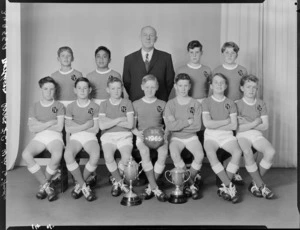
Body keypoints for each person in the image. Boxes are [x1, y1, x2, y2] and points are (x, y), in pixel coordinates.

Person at [22, 76, 65, 201]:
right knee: (26, 155)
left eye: (52, 89)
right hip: (40, 136)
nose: (49, 92)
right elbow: (32, 129)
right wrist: (49, 122)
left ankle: (43, 187)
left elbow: (59, 127)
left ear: (55, 90)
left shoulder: (59, 105)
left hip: (55, 137)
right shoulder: (34, 106)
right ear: (41, 89)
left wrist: (39, 124)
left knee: (57, 155)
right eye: (46, 89)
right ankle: (47, 186)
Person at [202, 73, 242, 203]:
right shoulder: (206, 102)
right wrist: (226, 121)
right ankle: (229, 186)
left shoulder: (230, 103)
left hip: (226, 136)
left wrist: (217, 124)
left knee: (237, 152)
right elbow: (207, 124)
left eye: (221, 83)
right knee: (211, 153)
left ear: (225, 86)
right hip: (211, 136)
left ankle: (225, 185)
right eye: (216, 82)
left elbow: (234, 125)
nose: (219, 85)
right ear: (211, 86)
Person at [212, 41, 248, 185]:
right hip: (221, 111)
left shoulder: (242, 70)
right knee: (222, 141)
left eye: (232, 52)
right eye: (226, 52)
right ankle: (220, 173)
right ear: (223, 54)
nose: (229, 55)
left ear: (237, 55)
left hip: (237, 110)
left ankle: (234, 171)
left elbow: (245, 91)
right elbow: (213, 93)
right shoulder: (216, 70)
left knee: (235, 141)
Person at [164, 73, 204, 200]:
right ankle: (191, 185)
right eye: (180, 85)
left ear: (190, 86)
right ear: (175, 86)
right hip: (176, 137)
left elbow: (197, 126)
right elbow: (170, 127)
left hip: (191, 136)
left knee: (200, 155)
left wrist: (177, 124)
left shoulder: (195, 104)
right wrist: (187, 122)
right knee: (175, 154)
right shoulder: (170, 104)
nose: (183, 88)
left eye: (185, 85)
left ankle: (187, 180)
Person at [236, 74, 275, 199]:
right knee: (247, 152)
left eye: (254, 87)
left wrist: (247, 123)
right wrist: (255, 122)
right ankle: (261, 185)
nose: (251, 90)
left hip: (256, 134)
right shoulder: (236, 104)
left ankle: (254, 184)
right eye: (248, 87)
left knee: (271, 152)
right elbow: (237, 128)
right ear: (242, 88)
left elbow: (265, 126)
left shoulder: (261, 104)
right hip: (241, 135)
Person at [132, 74, 168, 202]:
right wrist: (137, 133)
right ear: (142, 87)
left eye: (153, 87)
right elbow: (132, 125)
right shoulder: (136, 104)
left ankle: (150, 187)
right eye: (147, 87)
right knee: (144, 152)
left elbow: (168, 124)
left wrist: (165, 134)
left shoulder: (163, 104)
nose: (150, 90)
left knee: (163, 152)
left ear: (157, 87)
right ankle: (154, 187)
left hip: (159, 135)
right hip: (142, 135)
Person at [64, 77, 100, 202]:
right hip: (75, 137)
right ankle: (84, 187)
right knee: (68, 154)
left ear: (90, 90)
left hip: (90, 136)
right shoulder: (70, 106)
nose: (82, 90)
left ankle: (79, 185)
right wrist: (85, 125)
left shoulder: (95, 106)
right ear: (75, 90)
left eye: (85, 88)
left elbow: (95, 129)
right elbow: (68, 128)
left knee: (95, 155)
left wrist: (76, 126)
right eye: (79, 88)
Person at [98, 76, 134, 197]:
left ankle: (116, 179)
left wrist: (110, 121)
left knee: (127, 158)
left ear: (122, 89)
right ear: (108, 90)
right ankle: (119, 182)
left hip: (124, 135)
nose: (116, 91)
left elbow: (130, 124)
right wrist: (119, 119)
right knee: (108, 156)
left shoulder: (127, 103)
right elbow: (102, 126)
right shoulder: (104, 104)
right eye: (113, 88)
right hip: (108, 136)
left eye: (119, 88)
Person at [123, 26, 175, 102]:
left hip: (159, 101)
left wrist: (162, 96)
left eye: (151, 35)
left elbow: (169, 81)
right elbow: (127, 82)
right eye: (145, 35)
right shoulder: (129, 59)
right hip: (136, 102)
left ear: (156, 39)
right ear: (140, 37)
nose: (148, 38)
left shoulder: (166, 57)